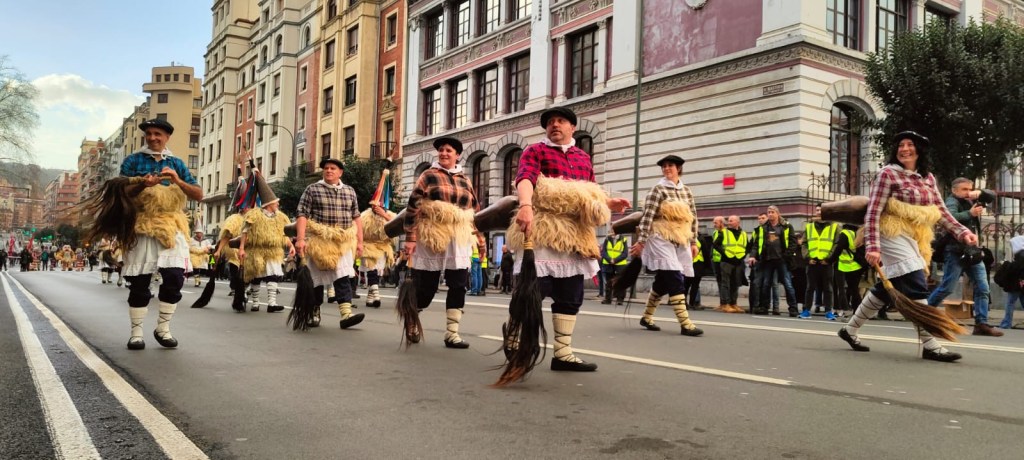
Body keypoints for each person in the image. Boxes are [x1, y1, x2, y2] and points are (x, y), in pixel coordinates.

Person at [837, 131, 977, 362]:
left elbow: (941, 211)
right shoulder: (888, 173)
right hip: (890, 231)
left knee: (887, 287)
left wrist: (963, 232)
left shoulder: (927, 178)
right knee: (915, 280)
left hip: (913, 235)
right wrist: (873, 247)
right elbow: (873, 212)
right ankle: (930, 344)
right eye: (901, 145)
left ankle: (849, 330)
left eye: (910, 145)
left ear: (919, 150)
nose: (904, 149)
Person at [509, 106, 631, 372]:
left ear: (572, 127)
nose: (554, 125)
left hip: (575, 235)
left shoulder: (583, 157)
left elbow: (590, 193)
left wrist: (609, 203)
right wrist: (526, 205)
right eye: (550, 122)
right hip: (543, 229)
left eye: (561, 121)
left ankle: (562, 354)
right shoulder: (535, 150)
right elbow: (525, 178)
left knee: (571, 295)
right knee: (532, 291)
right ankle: (515, 339)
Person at [110, 118, 203, 350]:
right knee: (139, 282)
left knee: (175, 277)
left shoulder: (177, 163)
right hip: (142, 225)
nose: (152, 138)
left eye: (157, 134)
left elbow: (198, 194)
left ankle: (163, 328)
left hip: (171, 225)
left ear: (167, 137)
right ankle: (136, 333)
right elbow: (121, 192)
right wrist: (143, 184)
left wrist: (177, 180)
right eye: (149, 133)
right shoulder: (133, 161)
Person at [402, 136, 480, 348]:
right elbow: (413, 206)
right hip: (432, 233)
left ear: (457, 155)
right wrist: (410, 238)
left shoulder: (465, 180)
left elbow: (475, 212)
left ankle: (452, 333)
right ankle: (412, 318)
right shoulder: (428, 175)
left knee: (459, 284)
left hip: (459, 236)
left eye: (449, 150)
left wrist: (480, 242)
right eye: (441, 150)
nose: (444, 153)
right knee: (426, 287)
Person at [629, 154, 704, 336]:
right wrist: (641, 241)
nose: (667, 168)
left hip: (680, 238)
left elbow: (693, 217)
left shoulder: (687, 191)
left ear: (679, 168)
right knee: (674, 276)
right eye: (664, 166)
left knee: (663, 280)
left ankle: (646, 317)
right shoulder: (658, 190)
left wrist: (694, 241)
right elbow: (647, 217)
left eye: (670, 165)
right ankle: (685, 323)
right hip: (660, 237)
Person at [925, 177, 1002, 337]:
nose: (968, 192)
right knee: (947, 287)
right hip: (956, 251)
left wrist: (979, 192)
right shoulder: (951, 201)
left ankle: (981, 324)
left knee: (983, 287)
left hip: (972, 251)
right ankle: (924, 315)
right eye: (964, 189)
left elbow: (991, 195)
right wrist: (970, 213)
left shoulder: (971, 199)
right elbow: (949, 218)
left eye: (970, 189)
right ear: (954, 190)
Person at [295, 157, 365, 330]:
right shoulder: (312, 189)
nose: (329, 170)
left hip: (343, 241)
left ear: (340, 172)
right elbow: (302, 214)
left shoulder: (349, 191)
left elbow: (356, 217)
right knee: (316, 280)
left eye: (333, 168)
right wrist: (301, 239)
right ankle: (314, 311)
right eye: (326, 168)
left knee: (342, 276)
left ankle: (346, 314)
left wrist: (360, 242)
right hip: (319, 241)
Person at [238, 174, 293, 314]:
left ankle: (272, 304)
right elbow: (245, 231)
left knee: (273, 275)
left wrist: (291, 246)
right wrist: (242, 248)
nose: (278, 205)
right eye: (276, 203)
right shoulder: (254, 215)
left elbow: (284, 234)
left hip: (274, 251)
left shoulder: (281, 217)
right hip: (256, 250)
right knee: (256, 276)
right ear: (269, 204)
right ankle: (255, 303)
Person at [747, 206, 798, 316]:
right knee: (766, 284)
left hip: (782, 260)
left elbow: (793, 243)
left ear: (777, 214)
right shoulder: (764, 227)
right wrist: (753, 256)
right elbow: (756, 244)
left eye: (772, 212)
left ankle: (793, 308)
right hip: (767, 260)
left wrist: (786, 256)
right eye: (768, 212)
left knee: (788, 284)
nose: (770, 214)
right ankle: (764, 307)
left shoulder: (786, 226)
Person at [801, 204, 839, 320]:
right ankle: (806, 310)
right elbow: (804, 243)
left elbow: (836, 244)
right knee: (810, 287)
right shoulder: (809, 226)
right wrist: (807, 257)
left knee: (828, 288)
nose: (819, 212)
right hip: (812, 261)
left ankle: (828, 311)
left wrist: (829, 259)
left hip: (826, 262)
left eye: (821, 210)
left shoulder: (834, 226)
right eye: (817, 210)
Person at [359, 201, 397, 308]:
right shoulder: (364, 217)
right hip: (368, 247)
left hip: (382, 247)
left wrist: (384, 215)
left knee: (376, 273)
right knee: (372, 271)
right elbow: (359, 230)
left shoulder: (390, 216)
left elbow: (396, 227)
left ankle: (369, 299)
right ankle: (376, 296)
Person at [830, 223, 865, 320]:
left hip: (843, 265)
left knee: (841, 289)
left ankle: (845, 310)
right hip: (857, 265)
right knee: (854, 290)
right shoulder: (858, 233)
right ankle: (857, 312)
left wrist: (829, 260)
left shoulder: (844, 233)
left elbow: (838, 249)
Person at [713, 215, 747, 313]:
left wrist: (743, 255)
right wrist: (725, 254)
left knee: (735, 283)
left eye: (731, 221)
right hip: (726, 261)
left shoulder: (743, 233)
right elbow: (715, 244)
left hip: (738, 262)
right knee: (725, 283)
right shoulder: (724, 232)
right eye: (728, 221)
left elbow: (747, 246)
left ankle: (733, 303)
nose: (729, 222)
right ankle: (725, 304)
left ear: (738, 222)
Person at [999, 235, 1024, 330]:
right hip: (1020, 283)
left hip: (1016, 284)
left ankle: (1006, 323)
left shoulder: (1020, 255)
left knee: (1010, 303)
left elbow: (1016, 268)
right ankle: (1006, 323)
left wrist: (1006, 265)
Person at [600, 231, 629, 305]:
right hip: (608, 263)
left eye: (614, 231)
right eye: (611, 231)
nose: (612, 232)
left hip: (620, 264)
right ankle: (608, 299)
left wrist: (615, 260)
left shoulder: (623, 239)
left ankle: (620, 299)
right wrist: (609, 260)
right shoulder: (607, 239)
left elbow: (625, 253)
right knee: (608, 282)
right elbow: (604, 252)